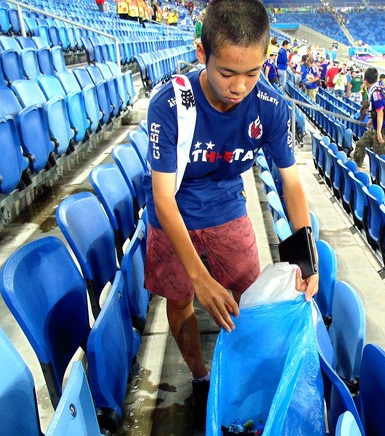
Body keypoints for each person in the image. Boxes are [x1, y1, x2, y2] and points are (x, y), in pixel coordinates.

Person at [142, 0, 318, 428]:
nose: (240, 86)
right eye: (227, 72)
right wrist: (200, 279)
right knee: (181, 300)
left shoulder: (272, 108)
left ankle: (242, 381)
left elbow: (290, 182)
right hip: (174, 215)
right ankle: (200, 376)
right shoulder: (170, 104)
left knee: (245, 301)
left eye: (252, 73)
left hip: (227, 208)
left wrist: (305, 254)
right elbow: (163, 197)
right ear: (203, 54)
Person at [350, 67, 385, 169]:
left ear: (365, 80)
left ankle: (381, 179)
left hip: (380, 129)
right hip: (374, 127)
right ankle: (357, 168)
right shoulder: (375, 90)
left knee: (379, 157)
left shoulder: (376, 93)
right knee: (360, 145)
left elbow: (380, 113)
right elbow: (377, 111)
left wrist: (379, 132)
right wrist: (371, 121)